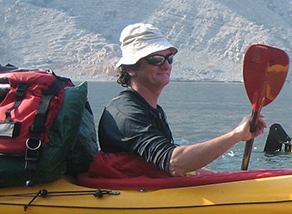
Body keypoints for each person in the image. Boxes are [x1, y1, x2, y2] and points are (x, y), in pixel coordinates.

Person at [93, 23, 266, 178]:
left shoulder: (150, 108)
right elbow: (174, 163)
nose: (166, 65)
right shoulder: (126, 113)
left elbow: (167, 165)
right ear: (130, 68)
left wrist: (226, 179)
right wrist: (236, 135)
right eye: (155, 59)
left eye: (169, 58)